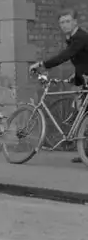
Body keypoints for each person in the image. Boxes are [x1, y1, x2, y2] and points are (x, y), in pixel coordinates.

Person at [30, 9, 88, 164]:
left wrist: (43, 64)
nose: (65, 25)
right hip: (85, 78)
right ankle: (85, 152)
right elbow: (83, 61)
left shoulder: (80, 37)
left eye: (68, 21)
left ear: (75, 22)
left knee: (84, 113)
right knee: (83, 113)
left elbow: (66, 55)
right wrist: (75, 78)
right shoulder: (73, 38)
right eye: (62, 22)